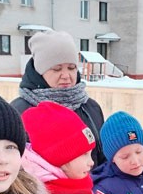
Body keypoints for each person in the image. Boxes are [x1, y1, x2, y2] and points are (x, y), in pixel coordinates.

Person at [11, 30, 107, 166]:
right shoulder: (19, 112)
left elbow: (103, 157)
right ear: (39, 72)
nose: (66, 75)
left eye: (71, 68)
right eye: (57, 69)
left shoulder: (90, 108)